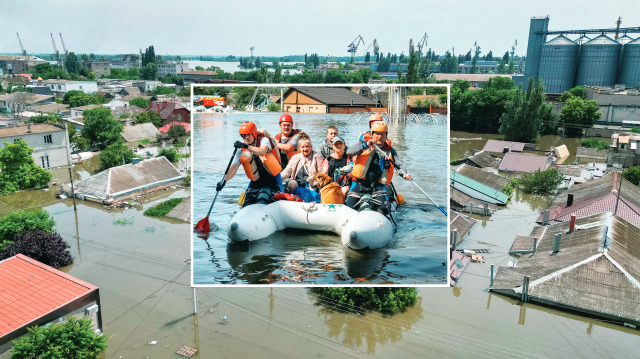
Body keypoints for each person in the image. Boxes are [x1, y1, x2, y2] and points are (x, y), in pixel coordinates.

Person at [345, 121, 412, 215]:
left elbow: (398, 165)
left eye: (382, 134)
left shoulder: (390, 150)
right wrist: (365, 145)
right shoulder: (363, 143)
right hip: (360, 185)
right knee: (348, 208)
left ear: (386, 135)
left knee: (383, 210)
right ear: (372, 134)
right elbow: (349, 151)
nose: (379, 136)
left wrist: (405, 174)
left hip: (378, 186)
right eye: (377, 134)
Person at [218, 121, 282, 207]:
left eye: (248, 134)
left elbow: (262, 151)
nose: (246, 138)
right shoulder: (241, 149)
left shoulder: (264, 140)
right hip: (256, 180)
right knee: (247, 203)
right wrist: (224, 181)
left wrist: (246, 146)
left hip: (273, 179)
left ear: (254, 134)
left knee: (264, 198)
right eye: (243, 136)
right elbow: (234, 167)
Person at [280, 132, 324, 202]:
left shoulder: (317, 156)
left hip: (311, 184)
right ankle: (294, 199)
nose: (305, 149)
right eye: (303, 147)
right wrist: (277, 179)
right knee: (291, 183)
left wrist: (313, 178)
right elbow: (287, 171)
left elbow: (321, 173)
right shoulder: (295, 157)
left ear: (311, 147)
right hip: (298, 182)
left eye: (307, 146)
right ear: (299, 148)